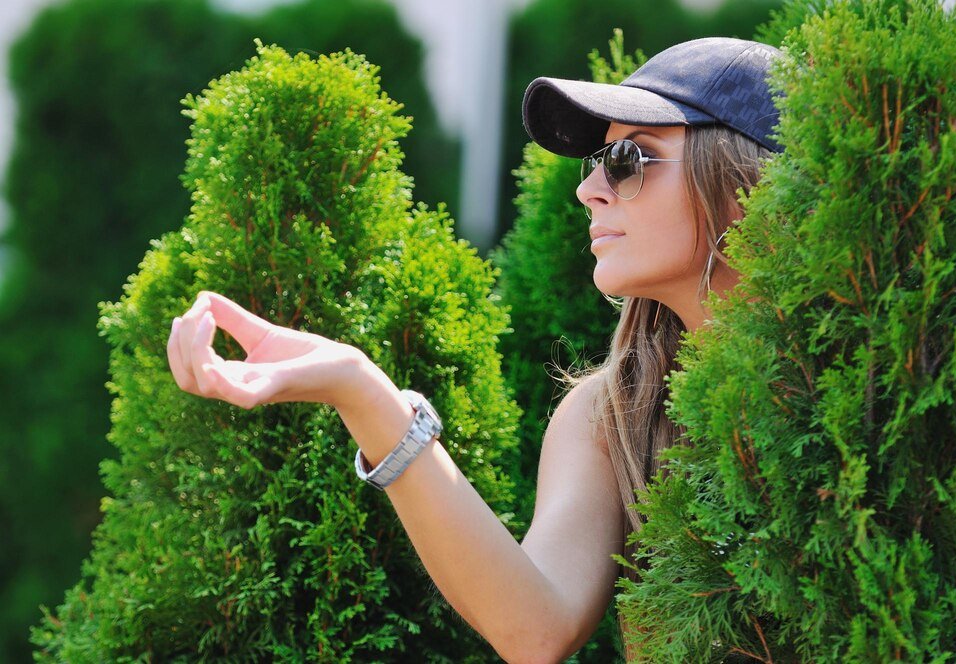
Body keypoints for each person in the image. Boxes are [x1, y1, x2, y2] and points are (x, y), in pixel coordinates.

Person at [166, 36, 783, 663]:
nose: (590, 189)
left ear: (746, 183)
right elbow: (535, 631)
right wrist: (359, 388)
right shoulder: (612, 415)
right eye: (598, 161)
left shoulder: (844, 388)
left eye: (628, 159)